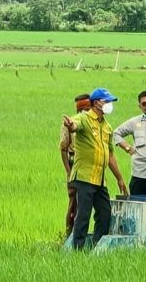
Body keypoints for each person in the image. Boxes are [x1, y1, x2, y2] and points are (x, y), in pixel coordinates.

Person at [62, 88, 129, 249]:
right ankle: (77, 249)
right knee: (83, 215)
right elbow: (75, 124)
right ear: (96, 102)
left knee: (105, 213)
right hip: (84, 177)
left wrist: (119, 178)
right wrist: (71, 125)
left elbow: (110, 155)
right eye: (107, 101)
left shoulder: (106, 126)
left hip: (100, 178)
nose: (109, 105)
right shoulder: (85, 118)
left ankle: (96, 246)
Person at [59, 93, 92, 238]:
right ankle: (69, 235)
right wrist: (68, 172)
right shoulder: (70, 123)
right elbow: (63, 148)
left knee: (86, 203)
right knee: (73, 202)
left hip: (90, 165)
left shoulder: (95, 122)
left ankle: (81, 235)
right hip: (75, 164)